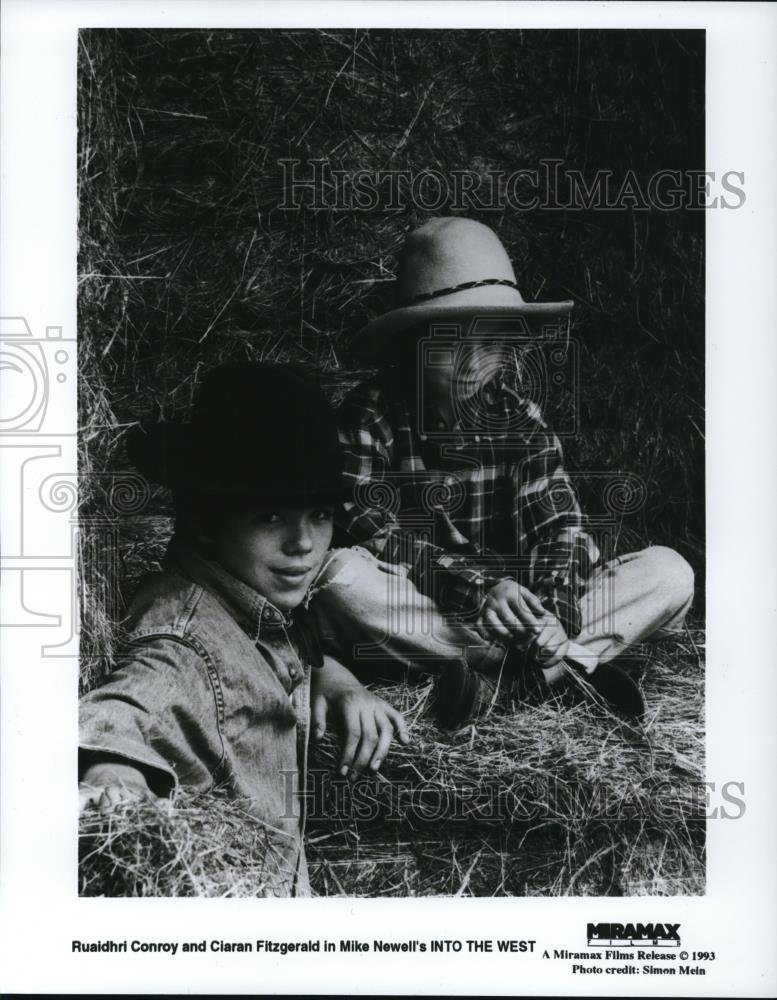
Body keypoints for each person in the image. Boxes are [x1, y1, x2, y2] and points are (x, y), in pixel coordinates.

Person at [312, 217, 695, 726]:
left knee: (669, 572)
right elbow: (373, 530)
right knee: (340, 579)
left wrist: (554, 615)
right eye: (456, 345)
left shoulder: (520, 419)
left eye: (493, 343)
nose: (479, 364)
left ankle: (521, 672)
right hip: (436, 608)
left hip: (520, 615)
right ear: (412, 345)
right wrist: (482, 588)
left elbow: (561, 530)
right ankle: (565, 670)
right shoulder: (368, 419)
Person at [78, 363, 409, 897]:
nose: (303, 543)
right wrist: (114, 772)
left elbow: (275, 648)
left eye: (319, 514)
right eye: (270, 517)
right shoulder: (184, 639)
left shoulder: (248, 600)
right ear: (208, 519)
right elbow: (131, 703)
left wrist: (335, 679)